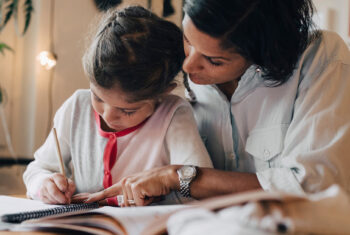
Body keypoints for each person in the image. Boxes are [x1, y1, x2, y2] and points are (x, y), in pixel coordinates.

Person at [82, 0, 350, 206]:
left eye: (214, 60)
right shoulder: (180, 81)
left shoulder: (319, 58)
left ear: (263, 53)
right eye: (187, 40)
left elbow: (313, 186)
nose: (187, 66)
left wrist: (180, 178)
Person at [23, 5, 213, 206]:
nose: (108, 116)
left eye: (127, 110)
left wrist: (163, 193)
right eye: (98, 98)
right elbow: (37, 169)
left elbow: (200, 186)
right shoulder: (77, 106)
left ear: (162, 93)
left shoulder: (174, 114)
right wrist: (44, 184)